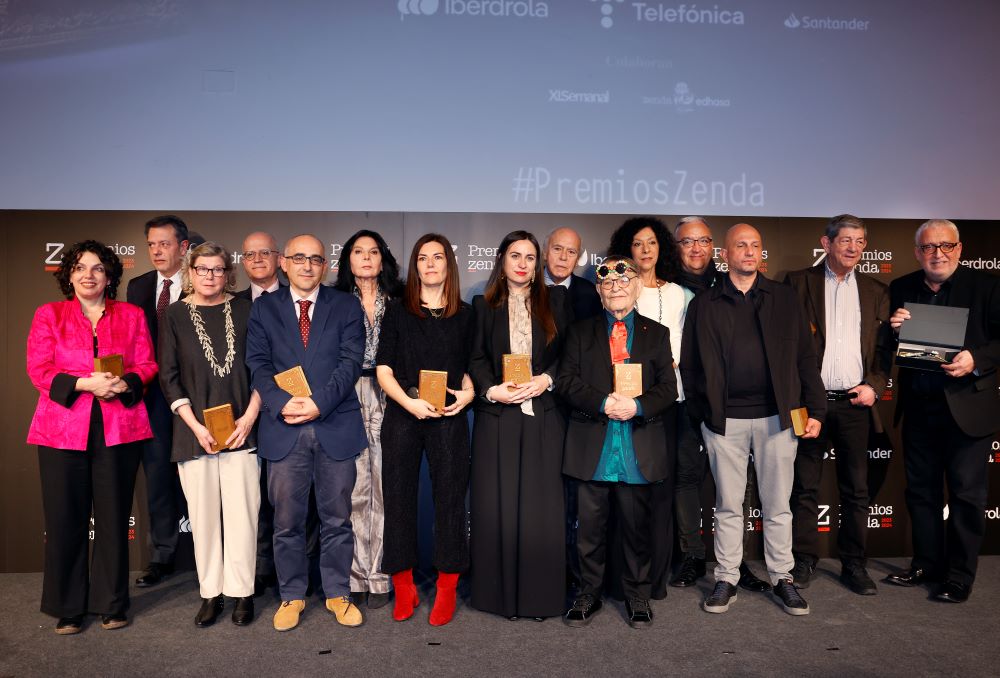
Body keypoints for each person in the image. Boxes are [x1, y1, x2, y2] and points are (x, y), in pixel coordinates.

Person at [680, 223, 826, 616]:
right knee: (728, 504)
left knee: (778, 505)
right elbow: (690, 368)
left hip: (778, 420)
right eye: (740, 246)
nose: (749, 251)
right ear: (724, 255)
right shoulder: (705, 304)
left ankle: (783, 578)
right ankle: (726, 577)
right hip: (723, 423)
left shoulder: (784, 298)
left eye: (755, 246)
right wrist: (702, 415)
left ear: (762, 254)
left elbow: (806, 359)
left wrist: (816, 409)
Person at [27, 240, 158, 634]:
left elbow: (147, 363)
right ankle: (68, 606)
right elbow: (39, 369)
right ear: (68, 275)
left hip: (119, 428)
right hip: (61, 430)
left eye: (98, 268)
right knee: (64, 519)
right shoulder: (49, 315)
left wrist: (123, 383)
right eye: (81, 268)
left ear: (110, 276)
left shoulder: (132, 315)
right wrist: (86, 383)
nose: (89, 274)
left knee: (114, 517)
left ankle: (112, 602)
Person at [245, 234, 368, 631]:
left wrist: (319, 403)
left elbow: (350, 363)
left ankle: (337, 593)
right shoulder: (263, 309)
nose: (307, 266)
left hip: (334, 424)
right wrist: (281, 402)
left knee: (337, 519)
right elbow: (258, 364)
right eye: (299, 258)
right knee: (286, 522)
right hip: (284, 429)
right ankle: (292, 595)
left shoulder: (346, 306)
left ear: (326, 266)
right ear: (284, 262)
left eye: (316, 259)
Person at [881, 219, 1000, 603]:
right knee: (921, 493)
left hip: (969, 408)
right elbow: (890, 345)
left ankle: (959, 576)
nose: (938, 254)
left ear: (960, 249)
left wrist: (976, 359)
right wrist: (895, 330)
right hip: (919, 407)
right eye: (929, 247)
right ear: (917, 252)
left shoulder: (987, 286)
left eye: (945, 246)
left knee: (966, 495)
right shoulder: (901, 287)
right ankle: (925, 564)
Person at [558, 257, 677, 629]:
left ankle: (637, 595)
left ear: (637, 288)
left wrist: (637, 405)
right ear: (598, 290)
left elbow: (667, 390)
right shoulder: (579, 332)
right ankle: (588, 593)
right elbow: (566, 382)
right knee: (589, 529)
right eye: (608, 284)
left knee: (635, 528)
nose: (616, 288)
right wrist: (604, 402)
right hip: (593, 445)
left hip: (637, 446)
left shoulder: (656, 333)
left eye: (624, 283)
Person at [468, 230, 571, 620]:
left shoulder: (557, 302)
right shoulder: (482, 305)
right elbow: (475, 358)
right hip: (498, 416)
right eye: (515, 255)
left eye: (530, 257)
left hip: (544, 414)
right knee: (498, 506)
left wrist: (546, 380)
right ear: (502, 260)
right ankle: (498, 598)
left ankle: (539, 598)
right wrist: (491, 390)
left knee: (540, 509)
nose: (523, 263)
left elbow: (569, 353)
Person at [785, 214, 890, 595]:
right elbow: (785, 347)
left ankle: (854, 564)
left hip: (855, 405)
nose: (853, 248)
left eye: (860, 241)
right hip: (810, 405)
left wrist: (875, 387)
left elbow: (884, 352)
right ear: (826, 243)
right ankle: (804, 560)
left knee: (855, 490)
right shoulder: (797, 282)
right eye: (845, 240)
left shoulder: (877, 290)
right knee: (805, 487)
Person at [159, 242, 262, 627]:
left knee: (243, 517)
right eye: (203, 269)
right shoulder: (173, 315)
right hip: (194, 434)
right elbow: (168, 378)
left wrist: (249, 418)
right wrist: (196, 426)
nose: (210, 277)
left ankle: (242, 593)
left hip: (241, 432)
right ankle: (210, 594)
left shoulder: (249, 309)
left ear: (228, 274)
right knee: (203, 519)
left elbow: (264, 368)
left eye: (218, 270)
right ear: (190, 271)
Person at [376, 233, 476, 626]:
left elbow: (472, 368)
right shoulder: (398, 312)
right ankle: (403, 584)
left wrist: (468, 395)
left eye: (438, 257)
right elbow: (383, 369)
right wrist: (410, 403)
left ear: (448, 265)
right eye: (422, 258)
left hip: (449, 416)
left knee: (451, 501)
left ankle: (448, 586)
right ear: (414, 266)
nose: (430, 264)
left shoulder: (466, 315)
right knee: (397, 498)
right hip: (404, 412)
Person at [669, 217, 771, 593]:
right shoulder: (662, 287)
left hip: (732, 405)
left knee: (736, 487)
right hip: (681, 397)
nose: (696, 249)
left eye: (704, 241)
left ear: (716, 247)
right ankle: (692, 556)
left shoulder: (733, 281)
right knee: (685, 476)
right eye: (687, 242)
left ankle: (736, 563)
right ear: (675, 247)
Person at [606, 216, 685, 598]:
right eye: (637, 244)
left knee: (656, 494)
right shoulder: (613, 293)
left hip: (662, 400)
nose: (646, 250)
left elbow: (685, 344)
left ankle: (653, 580)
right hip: (617, 404)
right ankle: (619, 578)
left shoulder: (678, 294)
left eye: (652, 242)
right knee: (620, 494)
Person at [332, 229, 404, 610]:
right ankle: (357, 576)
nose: (365, 258)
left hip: (390, 393)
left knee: (386, 486)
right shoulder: (334, 301)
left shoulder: (401, 301)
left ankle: (382, 574)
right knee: (355, 489)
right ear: (347, 259)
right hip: (346, 394)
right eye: (358, 252)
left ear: (383, 259)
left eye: (373, 251)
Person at [126, 215, 190, 588]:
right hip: (152, 400)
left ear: (183, 247)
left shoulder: (203, 279)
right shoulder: (137, 287)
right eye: (151, 245)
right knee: (158, 479)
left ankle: (213, 554)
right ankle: (162, 554)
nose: (156, 251)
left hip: (196, 398)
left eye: (164, 244)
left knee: (205, 476)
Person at [235, 231, 286, 597]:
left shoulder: (299, 297)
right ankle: (261, 568)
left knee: (298, 499)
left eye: (264, 252)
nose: (256, 259)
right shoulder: (232, 304)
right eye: (249, 254)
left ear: (279, 258)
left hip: (294, 412)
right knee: (255, 497)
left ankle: (299, 570)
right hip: (245, 416)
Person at [544, 226, 602, 321]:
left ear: (577, 260)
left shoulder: (590, 294)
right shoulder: (526, 287)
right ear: (544, 253)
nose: (563, 257)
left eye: (571, 252)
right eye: (557, 249)